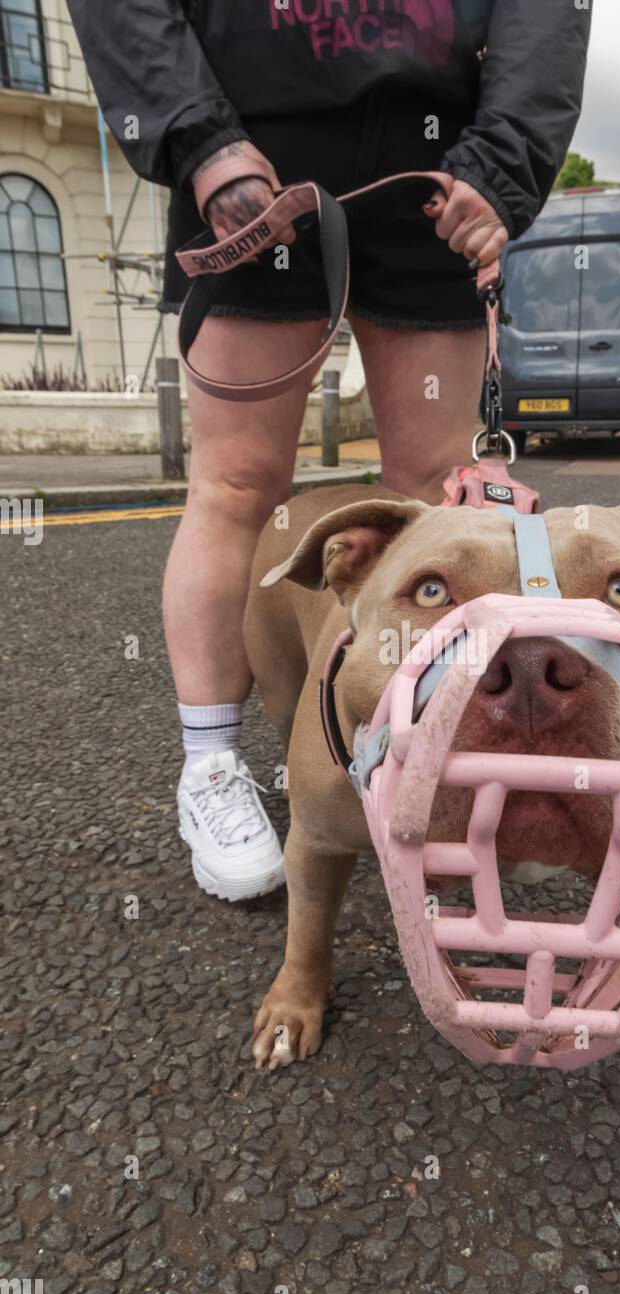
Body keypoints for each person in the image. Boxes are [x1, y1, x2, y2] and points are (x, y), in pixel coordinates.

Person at [68, 0, 592, 901]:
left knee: (438, 493)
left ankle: (453, 745)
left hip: (436, 166)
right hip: (248, 147)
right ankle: (211, 770)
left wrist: (503, 165)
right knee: (236, 483)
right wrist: (196, 141)